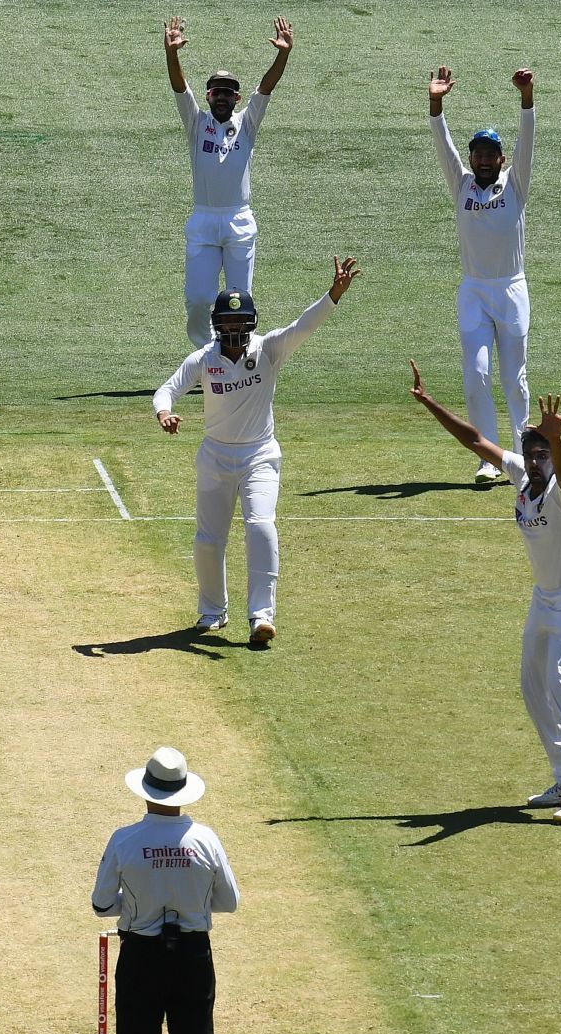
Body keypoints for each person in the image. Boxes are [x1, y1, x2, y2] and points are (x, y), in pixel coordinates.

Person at [407, 362, 561, 823]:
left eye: (543, 455)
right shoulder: (520, 475)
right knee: (533, 687)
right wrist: (429, 402)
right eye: (532, 454)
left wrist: (557, 441)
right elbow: (476, 441)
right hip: (544, 597)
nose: (536, 462)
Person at [152, 257, 361, 648]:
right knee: (207, 540)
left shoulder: (268, 349)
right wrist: (164, 412)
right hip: (215, 457)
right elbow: (167, 389)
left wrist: (334, 294)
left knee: (260, 526)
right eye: (226, 324)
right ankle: (212, 611)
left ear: (250, 323)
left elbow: (304, 326)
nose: (233, 330)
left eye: (239, 323)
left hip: (259, 456)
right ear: (217, 326)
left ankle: (261, 617)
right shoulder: (203, 360)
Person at [92, 746, 240, 1034]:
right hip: (193, 955)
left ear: (146, 791)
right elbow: (228, 901)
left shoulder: (125, 839)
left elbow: (101, 904)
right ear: (183, 793)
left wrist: (137, 907)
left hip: (140, 955)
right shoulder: (205, 839)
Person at [428, 66, 536, 483]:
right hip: (473, 291)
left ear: (502, 159)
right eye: (479, 152)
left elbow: (528, 142)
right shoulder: (462, 185)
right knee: (476, 375)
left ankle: (524, 454)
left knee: (514, 378)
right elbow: (443, 146)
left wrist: (527, 98)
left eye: (492, 152)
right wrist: (436, 104)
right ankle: (489, 459)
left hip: (511, 289)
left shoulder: (515, 185)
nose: (484, 158)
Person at [164, 15, 293, 348]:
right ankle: (208, 355)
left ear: (237, 98)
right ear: (208, 96)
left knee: (241, 303)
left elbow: (266, 88)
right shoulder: (196, 123)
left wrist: (283, 54)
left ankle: (240, 359)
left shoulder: (247, 123)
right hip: (204, 220)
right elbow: (180, 88)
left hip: (239, 220)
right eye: (216, 92)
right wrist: (172, 53)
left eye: (228, 93)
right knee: (197, 299)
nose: (221, 97)